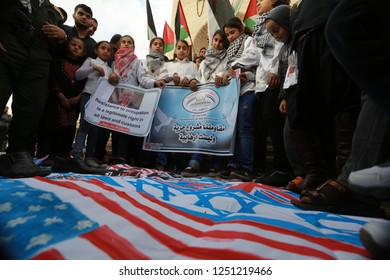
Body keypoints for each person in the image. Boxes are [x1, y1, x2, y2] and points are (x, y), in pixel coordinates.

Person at [291, 0, 390, 218]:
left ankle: (355, 179)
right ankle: (355, 179)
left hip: (324, 19)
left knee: (346, 25)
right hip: (310, 26)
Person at [0, 0, 67, 178]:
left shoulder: (51, 10)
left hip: (39, 54)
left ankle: (20, 155)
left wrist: (62, 37)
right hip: (7, 43)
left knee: (32, 105)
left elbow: (63, 47)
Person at [108, 35, 164, 164]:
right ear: (119, 45)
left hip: (131, 99)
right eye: (124, 42)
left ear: (133, 47)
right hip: (116, 98)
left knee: (127, 128)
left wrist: (155, 83)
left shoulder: (136, 62)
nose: (126, 44)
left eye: (129, 42)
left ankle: (124, 158)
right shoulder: (114, 63)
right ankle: (116, 156)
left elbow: (142, 79)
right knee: (115, 127)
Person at [181, 30, 230, 177]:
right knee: (201, 131)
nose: (217, 43)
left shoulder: (227, 59)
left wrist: (221, 76)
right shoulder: (203, 62)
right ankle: (194, 163)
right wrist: (194, 80)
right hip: (203, 103)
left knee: (218, 131)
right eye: (215, 40)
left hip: (220, 101)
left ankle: (215, 165)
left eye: (221, 41)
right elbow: (197, 77)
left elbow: (228, 73)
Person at [217, 17, 256, 182]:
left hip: (248, 91)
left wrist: (237, 70)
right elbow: (225, 70)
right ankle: (233, 164)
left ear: (241, 29)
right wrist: (221, 76)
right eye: (227, 34)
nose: (230, 37)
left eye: (232, 32)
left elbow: (253, 60)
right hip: (234, 93)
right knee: (233, 129)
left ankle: (246, 167)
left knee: (244, 129)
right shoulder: (230, 50)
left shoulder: (249, 41)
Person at [36, 37, 85, 165]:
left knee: (68, 130)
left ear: (83, 53)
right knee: (50, 126)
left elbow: (85, 84)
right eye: (73, 45)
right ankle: (45, 156)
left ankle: (62, 157)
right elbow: (52, 78)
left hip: (73, 104)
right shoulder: (58, 60)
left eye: (79, 47)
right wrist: (60, 96)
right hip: (55, 100)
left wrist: (79, 97)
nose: (76, 48)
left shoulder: (82, 67)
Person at [153, 40, 197, 172]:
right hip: (169, 102)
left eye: (184, 48)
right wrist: (174, 75)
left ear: (188, 51)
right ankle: (161, 161)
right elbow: (161, 77)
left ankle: (180, 164)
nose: (181, 50)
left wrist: (189, 78)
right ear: (175, 50)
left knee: (182, 132)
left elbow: (197, 77)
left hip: (186, 105)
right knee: (166, 132)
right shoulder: (168, 64)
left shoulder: (193, 65)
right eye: (179, 48)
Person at [72, 40, 112, 168]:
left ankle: (89, 157)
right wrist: (93, 68)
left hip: (102, 101)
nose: (106, 51)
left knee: (95, 129)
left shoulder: (110, 69)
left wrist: (116, 79)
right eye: (103, 48)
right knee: (84, 125)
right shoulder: (91, 61)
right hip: (88, 96)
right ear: (96, 50)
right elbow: (78, 75)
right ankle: (77, 155)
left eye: (108, 49)